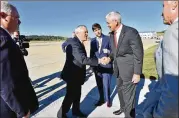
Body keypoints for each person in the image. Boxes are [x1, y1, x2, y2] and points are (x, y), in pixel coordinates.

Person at [57, 25, 107, 118]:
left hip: (77, 74)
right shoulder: (74, 43)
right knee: (70, 96)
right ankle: (61, 114)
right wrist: (99, 61)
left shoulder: (78, 42)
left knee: (77, 95)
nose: (87, 34)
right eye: (85, 32)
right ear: (77, 33)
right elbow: (82, 59)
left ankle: (76, 111)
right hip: (72, 75)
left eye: (87, 32)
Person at [0, 1, 39, 118]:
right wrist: (21, 110)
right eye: (16, 17)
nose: (19, 21)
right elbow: (5, 82)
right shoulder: (3, 39)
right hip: (7, 108)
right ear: (2, 16)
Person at [104, 11, 144, 118]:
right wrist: (109, 58)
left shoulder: (131, 32)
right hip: (118, 70)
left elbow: (138, 53)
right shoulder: (112, 35)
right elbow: (114, 52)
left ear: (115, 21)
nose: (107, 25)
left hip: (129, 71)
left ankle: (129, 115)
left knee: (129, 98)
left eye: (108, 23)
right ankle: (122, 108)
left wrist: (137, 73)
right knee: (121, 92)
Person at [143, 1, 178, 118]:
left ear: (174, 4)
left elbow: (173, 88)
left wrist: (159, 114)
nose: (161, 13)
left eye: (163, 6)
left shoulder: (173, 31)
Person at [90, 23, 113, 107]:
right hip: (97, 67)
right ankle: (101, 99)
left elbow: (113, 51)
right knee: (99, 85)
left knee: (106, 85)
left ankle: (108, 100)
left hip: (106, 66)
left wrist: (108, 53)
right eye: (95, 30)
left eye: (98, 29)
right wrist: (92, 66)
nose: (97, 31)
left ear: (101, 29)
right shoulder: (92, 41)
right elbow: (91, 54)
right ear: (93, 32)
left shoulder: (108, 38)